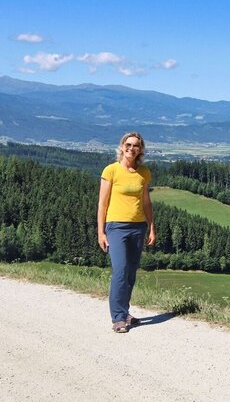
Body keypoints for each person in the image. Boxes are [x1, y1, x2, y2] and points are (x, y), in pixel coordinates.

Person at [97, 132, 156, 333]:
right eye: (128, 144)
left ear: (141, 149)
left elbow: (146, 202)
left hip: (138, 227)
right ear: (122, 146)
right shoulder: (111, 171)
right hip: (116, 228)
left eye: (136, 146)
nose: (132, 148)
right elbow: (102, 204)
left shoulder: (144, 173)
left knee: (130, 274)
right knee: (120, 271)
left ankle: (125, 311)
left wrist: (151, 226)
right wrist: (101, 233)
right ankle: (118, 318)